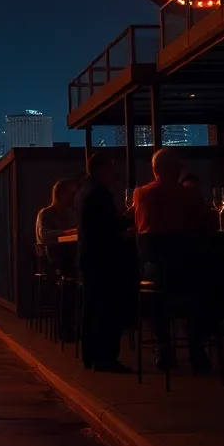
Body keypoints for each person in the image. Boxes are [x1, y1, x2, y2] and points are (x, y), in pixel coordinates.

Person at [133, 149, 217, 371]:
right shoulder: (192, 196)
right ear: (178, 170)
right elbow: (210, 226)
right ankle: (196, 345)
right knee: (209, 282)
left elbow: (138, 227)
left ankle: (163, 347)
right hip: (189, 270)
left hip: (157, 271)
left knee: (157, 286)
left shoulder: (141, 195)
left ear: (154, 170)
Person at [75, 153, 133, 373]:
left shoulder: (83, 192)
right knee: (106, 309)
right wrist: (130, 216)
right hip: (103, 259)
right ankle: (106, 358)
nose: (114, 172)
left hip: (88, 257)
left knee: (91, 309)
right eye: (111, 167)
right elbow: (110, 225)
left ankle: (90, 356)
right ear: (102, 169)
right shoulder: (99, 194)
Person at [36, 178, 79, 273]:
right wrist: (68, 232)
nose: (74, 197)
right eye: (71, 194)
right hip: (53, 257)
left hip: (69, 255)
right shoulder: (45, 213)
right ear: (61, 195)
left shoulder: (71, 213)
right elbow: (44, 235)